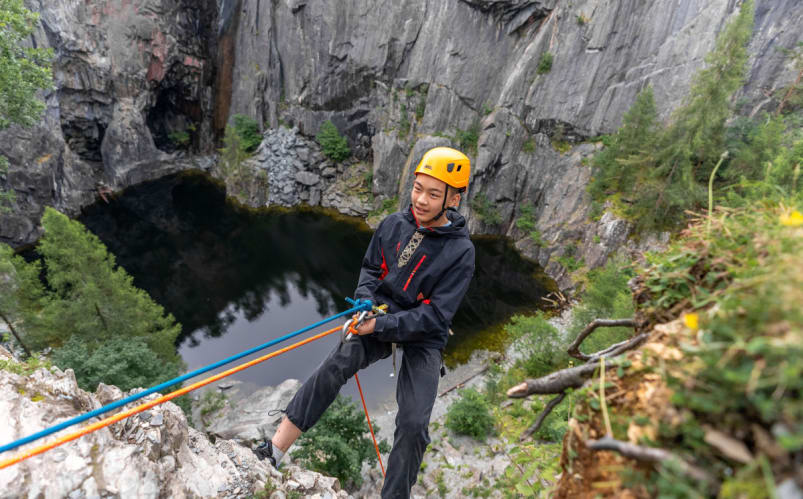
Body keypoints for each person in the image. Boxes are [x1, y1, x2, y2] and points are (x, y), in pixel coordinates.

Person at [257, 146, 476, 498]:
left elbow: (436, 315)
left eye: (433, 194)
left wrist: (381, 326)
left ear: (454, 198)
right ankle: (274, 451)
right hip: (380, 313)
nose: (420, 200)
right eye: (417, 188)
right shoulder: (394, 224)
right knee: (335, 364)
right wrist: (365, 304)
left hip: (424, 335)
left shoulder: (461, 252)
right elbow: (372, 270)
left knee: (413, 422)